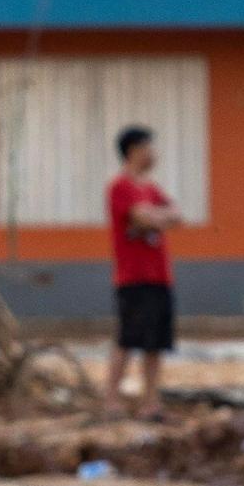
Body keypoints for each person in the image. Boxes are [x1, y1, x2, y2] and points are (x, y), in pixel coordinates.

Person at [105, 125, 185, 412]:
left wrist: (155, 217)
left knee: (156, 343)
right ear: (134, 151)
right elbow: (142, 219)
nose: (154, 154)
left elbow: (175, 215)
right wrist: (153, 218)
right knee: (128, 339)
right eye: (149, 148)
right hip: (133, 276)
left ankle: (150, 401)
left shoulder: (151, 188)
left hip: (159, 275)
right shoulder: (120, 187)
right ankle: (111, 400)